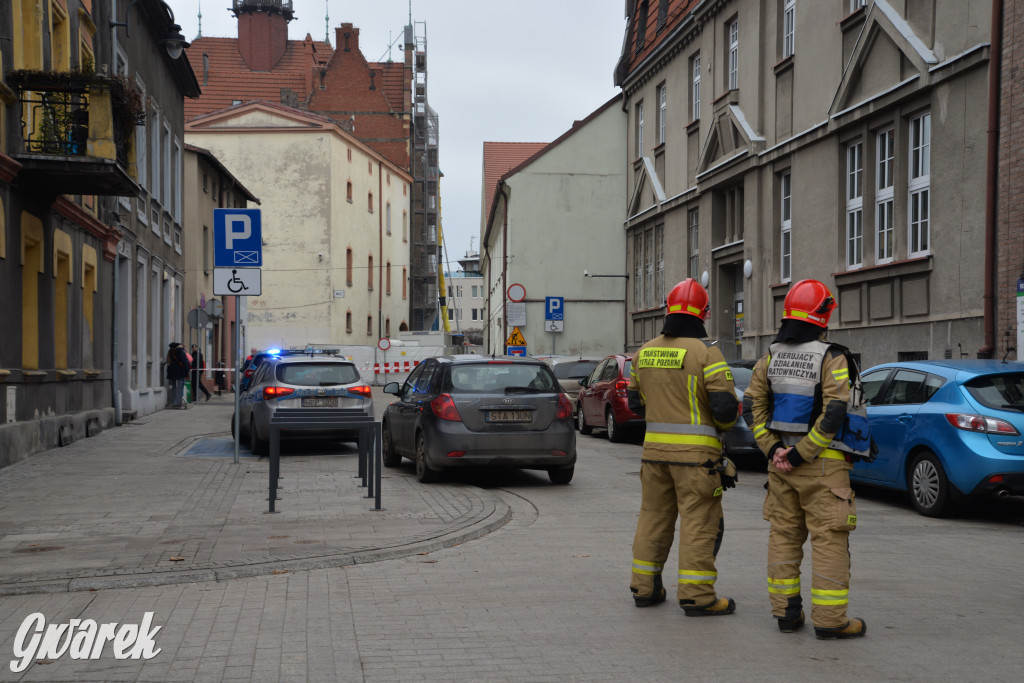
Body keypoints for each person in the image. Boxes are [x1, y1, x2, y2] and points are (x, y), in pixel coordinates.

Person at [742, 279, 868, 639]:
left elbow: (752, 407)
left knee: (783, 534)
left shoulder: (770, 356)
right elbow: (835, 412)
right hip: (823, 465)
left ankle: (786, 614)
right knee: (829, 539)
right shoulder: (833, 356)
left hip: (779, 466)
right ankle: (830, 622)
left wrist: (774, 450)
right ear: (823, 315)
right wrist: (801, 454)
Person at [627, 278, 739, 616]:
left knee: (652, 519)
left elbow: (635, 403)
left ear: (668, 310)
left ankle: (644, 588)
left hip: (654, 456)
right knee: (699, 524)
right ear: (703, 312)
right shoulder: (707, 353)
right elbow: (725, 411)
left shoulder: (645, 351)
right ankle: (697, 597)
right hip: (697, 462)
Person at [166, 342, 190, 408]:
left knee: (173, 386)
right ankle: (178, 403)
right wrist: (187, 370)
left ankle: (172, 402)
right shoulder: (180, 351)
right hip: (179, 371)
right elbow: (184, 361)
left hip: (171, 370)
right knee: (180, 386)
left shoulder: (170, 351)